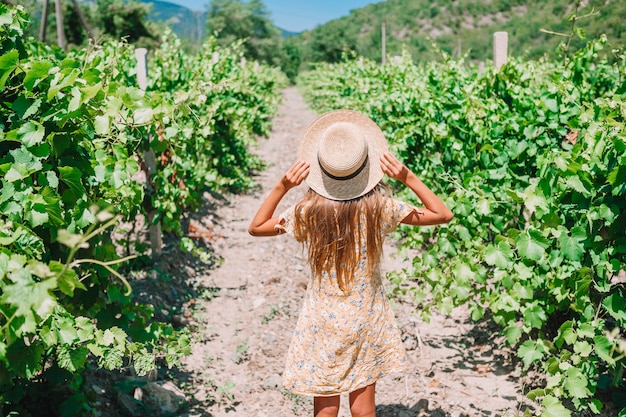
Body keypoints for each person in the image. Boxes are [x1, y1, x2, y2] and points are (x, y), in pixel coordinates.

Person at [248, 109, 453, 417]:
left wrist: (283, 186)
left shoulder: (309, 212)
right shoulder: (379, 208)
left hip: (322, 319)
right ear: (366, 168)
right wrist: (406, 176)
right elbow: (442, 214)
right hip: (365, 316)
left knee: (326, 408)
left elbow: (256, 227)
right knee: (363, 411)